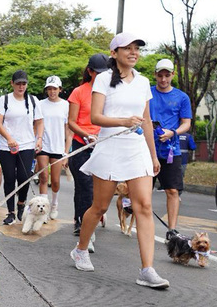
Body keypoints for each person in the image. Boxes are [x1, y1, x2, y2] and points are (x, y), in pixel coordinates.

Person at [70, 32, 169, 289]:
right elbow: (95, 117)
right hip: (110, 145)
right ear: (114, 53)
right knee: (100, 207)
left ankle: (147, 270)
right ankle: (81, 249)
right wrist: (123, 121)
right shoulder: (103, 79)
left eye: (137, 48)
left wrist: (153, 154)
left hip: (136, 148)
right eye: (128, 48)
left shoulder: (143, 81)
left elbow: (146, 121)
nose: (134, 52)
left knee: (144, 206)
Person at [149, 59, 192, 240]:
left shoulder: (182, 97)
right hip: (147, 149)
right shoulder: (147, 94)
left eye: (167, 75)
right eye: (160, 75)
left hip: (170, 150)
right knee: (142, 190)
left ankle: (172, 229)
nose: (164, 79)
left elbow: (186, 123)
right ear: (155, 75)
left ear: (173, 75)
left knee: (172, 190)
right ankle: (138, 222)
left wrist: (172, 132)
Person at [0, 70, 44, 226]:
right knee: (9, 178)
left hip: (27, 145)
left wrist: (39, 139)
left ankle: (21, 203)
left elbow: (39, 121)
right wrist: (9, 138)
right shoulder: (4, 100)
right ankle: (10, 212)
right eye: (18, 83)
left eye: (24, 83)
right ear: (12, 84)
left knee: (24, 177)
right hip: (6, 146)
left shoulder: (33, 100)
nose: (21, 87)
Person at [68, 53, 109, 244]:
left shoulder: (110, 91)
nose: (101, 76)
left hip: (104, 144)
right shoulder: (79, 92)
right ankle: (82, 223)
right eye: (97, 72)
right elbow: (71, 122)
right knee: (84, 185)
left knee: (98, 187)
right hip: (81, 145)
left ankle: (92, 217)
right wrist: (86, 134)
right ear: (90, 71)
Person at [36, 75, 72, 220]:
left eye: (55, 89)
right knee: (43, 177)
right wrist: (36, 141)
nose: (52, 92)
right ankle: (43, 210)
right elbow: (37, 124)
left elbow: (69, 130)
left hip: (58, 147)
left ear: (60, 89)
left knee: (55, 181)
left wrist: (66, 152)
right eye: (49, 89)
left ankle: (55, 204)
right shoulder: (40, 104)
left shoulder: (66, 105)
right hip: (43, 145)